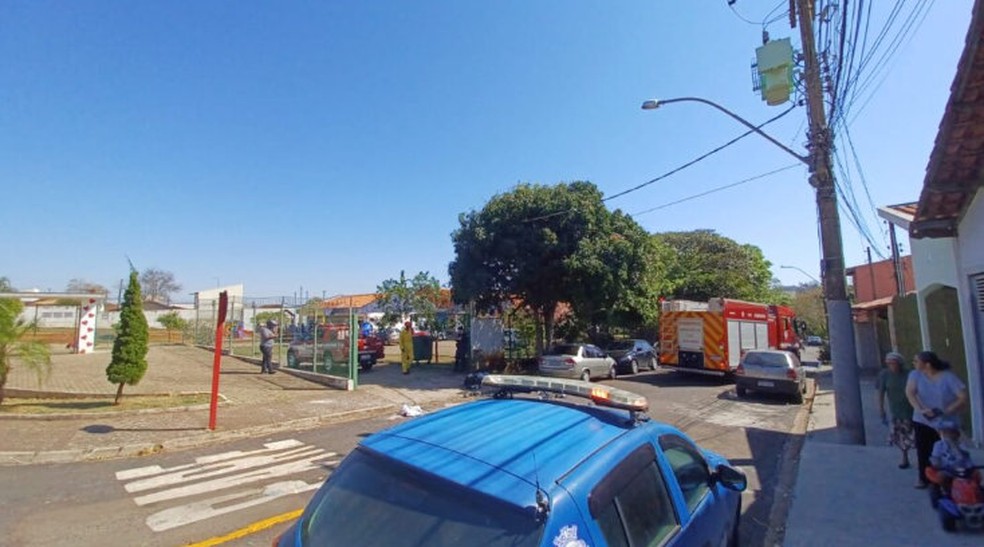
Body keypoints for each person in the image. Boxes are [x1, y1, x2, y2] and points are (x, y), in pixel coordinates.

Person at [905, 350, 968, 488]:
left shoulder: (948, 377)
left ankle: (950, 479)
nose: (914, 363)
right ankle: (924, 478)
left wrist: (946, 410)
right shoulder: (915, 375)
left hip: (946, 421)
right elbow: (910, 392)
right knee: (923, 449)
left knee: (948, 449)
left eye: (916, 361)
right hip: (923, 419)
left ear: (927, 364)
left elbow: (962, 397)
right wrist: (921, 409)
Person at [876, 352, 914, 469]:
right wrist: (881, 409)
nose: (892, 366)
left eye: (894, 363)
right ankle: (904, 457)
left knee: (914, 435)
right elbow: (880, 393)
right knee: (900, 435)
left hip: (912, 408)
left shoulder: (909, 374)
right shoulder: (884, 375)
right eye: (889, 363)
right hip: (896, 410)